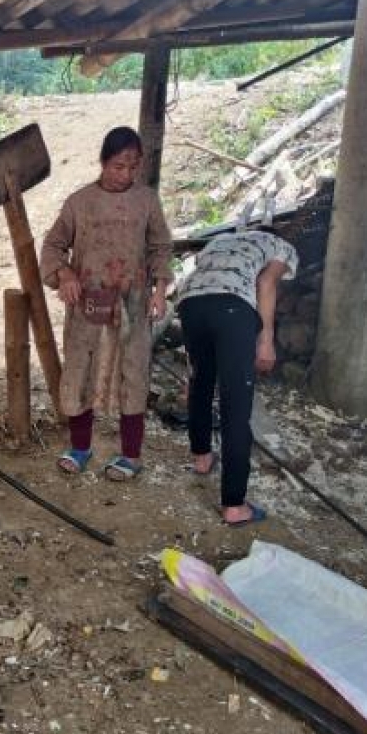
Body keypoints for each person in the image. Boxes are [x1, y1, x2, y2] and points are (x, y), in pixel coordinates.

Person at [40, 126, 174, 481]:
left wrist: (160, 290)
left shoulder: (147, 200)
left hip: (133, 303)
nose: (125, 175)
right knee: (80, 372)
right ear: (102, 162)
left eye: (132, 167)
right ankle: (80, 448)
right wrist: (66, 276)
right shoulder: (80, 202)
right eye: (117, 166)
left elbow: (161, 246)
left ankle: (130, 455)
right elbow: (53, 247)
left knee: (133, 374)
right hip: (88, 306)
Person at [175, 227, 298, 526]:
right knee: (236, 404)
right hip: (231, 307)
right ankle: (234, 505)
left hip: (190, 303)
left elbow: (202, 269)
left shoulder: (221, 239)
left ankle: (202, 459)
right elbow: (266, 282)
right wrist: (266, 339)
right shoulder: (280, 244)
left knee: (201, 383)